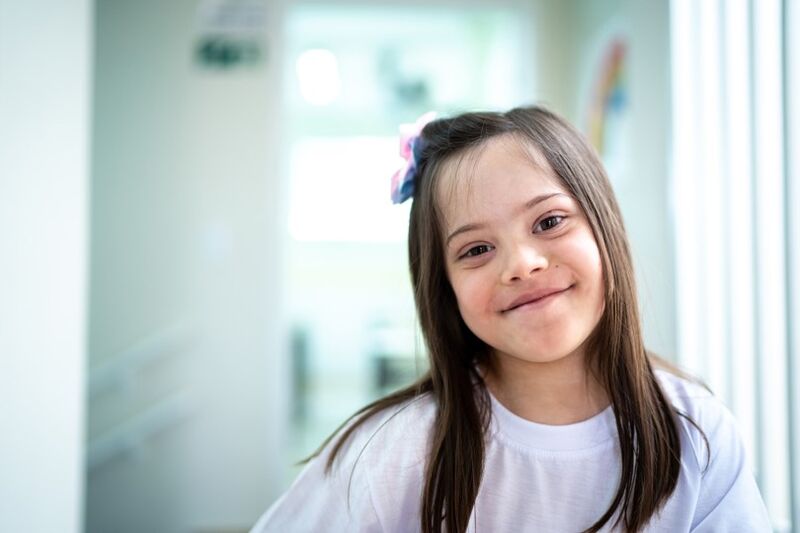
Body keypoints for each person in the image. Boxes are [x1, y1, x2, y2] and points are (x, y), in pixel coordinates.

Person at [252, 106, 771, 532]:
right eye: (476, 249)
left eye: (549, 221)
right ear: (444, 288)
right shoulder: (392, 453)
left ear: (604, 228)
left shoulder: (695, 433)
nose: (522, 264)